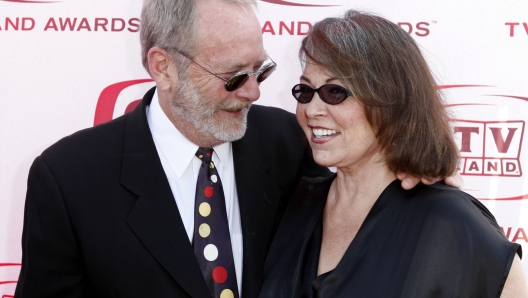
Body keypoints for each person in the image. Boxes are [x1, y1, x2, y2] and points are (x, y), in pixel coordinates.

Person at [14, 1, 460, 297]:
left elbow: (372, 186)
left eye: (260, 71)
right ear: (163, 68)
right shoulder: (70, 179)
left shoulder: (289, 142)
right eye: (233, 76)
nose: (253, 93)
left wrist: (426, 170)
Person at [259, 10, 528, 298]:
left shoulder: (451, 222)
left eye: (335, 92)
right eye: (305, 91)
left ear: (391, 101)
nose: (311, 110)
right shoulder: (294, 204)